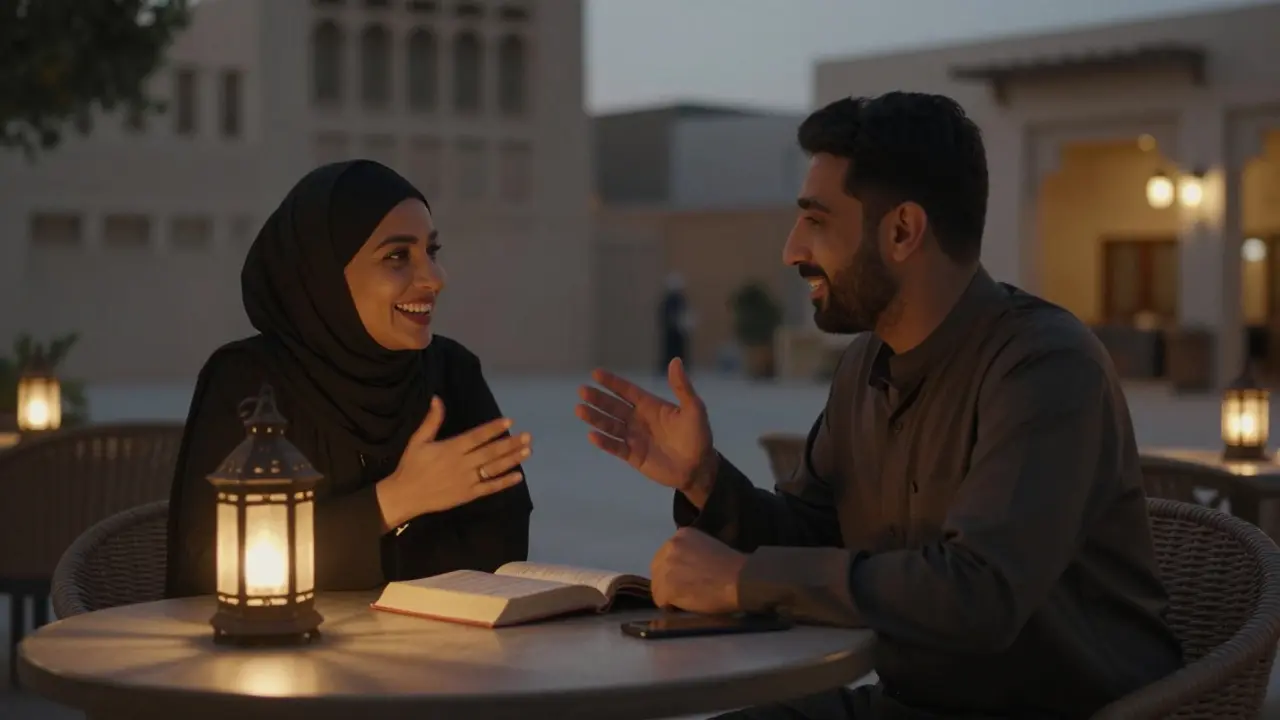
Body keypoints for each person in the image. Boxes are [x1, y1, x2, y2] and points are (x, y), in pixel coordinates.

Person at [575, 92, 1183, 719]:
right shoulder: (865, 364)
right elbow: (813, 530)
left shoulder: (1046, 367)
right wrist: (705, 480)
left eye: (815, 220)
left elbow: (979, 595)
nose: (791, 250)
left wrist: (739, 582)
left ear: (901, 231)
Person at [166, 159, 533, 597]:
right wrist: (393, 501)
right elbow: (214, 562)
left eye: (431, 252)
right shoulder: (248, 382)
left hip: (437, 655)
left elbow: (503, 544)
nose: (434, 278)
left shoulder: (452, 373)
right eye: (398, 256)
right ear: (324, 275)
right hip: (279, 660)